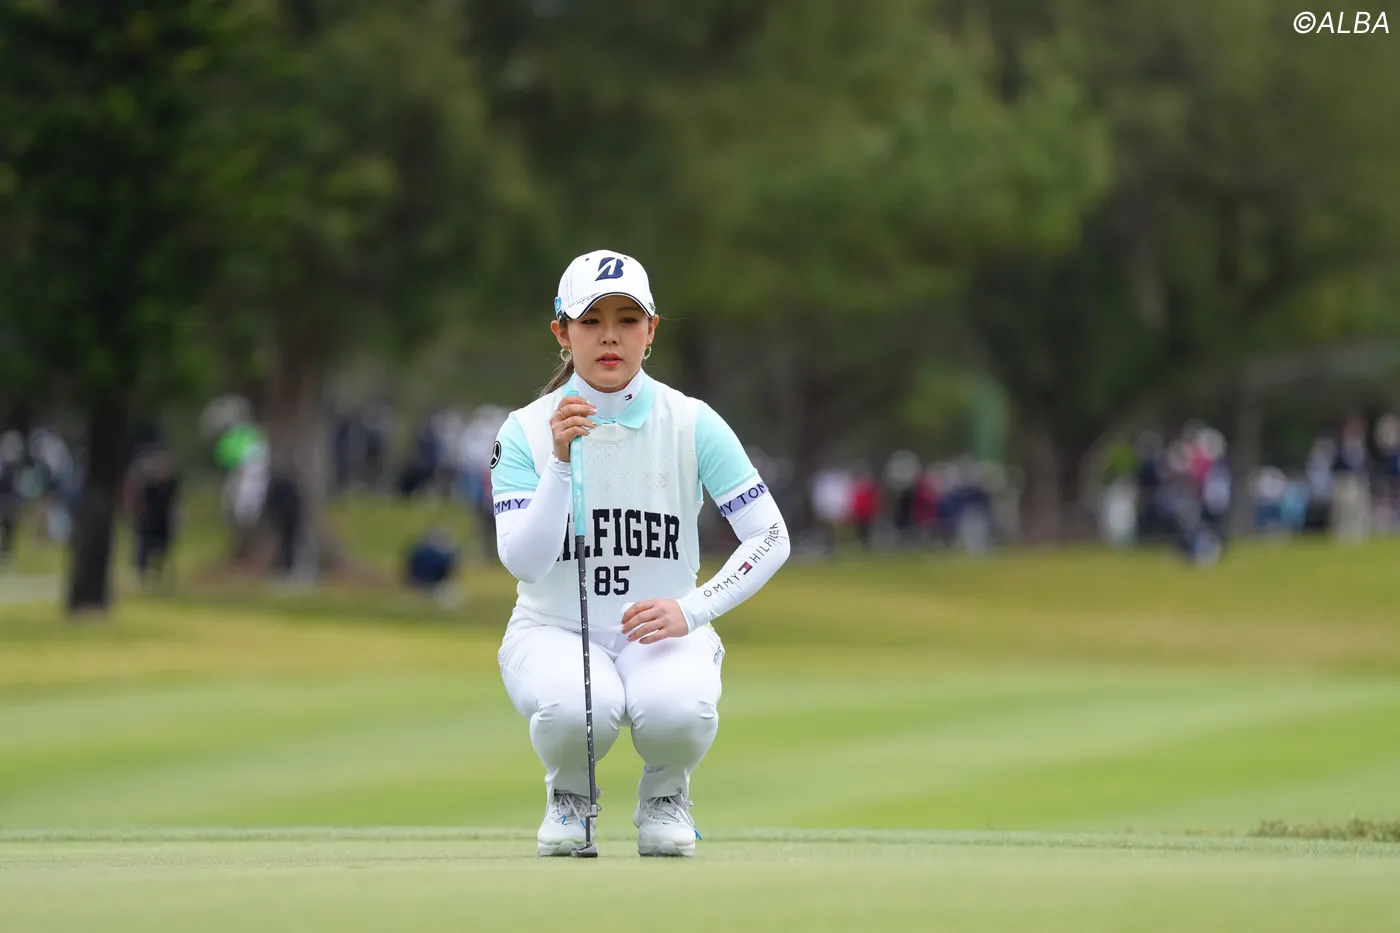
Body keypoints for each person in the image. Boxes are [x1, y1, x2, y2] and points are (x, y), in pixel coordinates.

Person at [491, 250, 791, 858]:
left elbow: (770, 536)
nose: (610, 337)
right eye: (591, 321)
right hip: (551, 628)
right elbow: (524, 563)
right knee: (580, 706)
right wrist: (559, 463)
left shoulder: (692, 422)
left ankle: (665, 797)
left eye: (627, 320)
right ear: (562, 332)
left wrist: (694, 609)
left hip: (663, 628)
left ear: (651, 331)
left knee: (678, 709)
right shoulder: (524, 430)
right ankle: (569, 796)